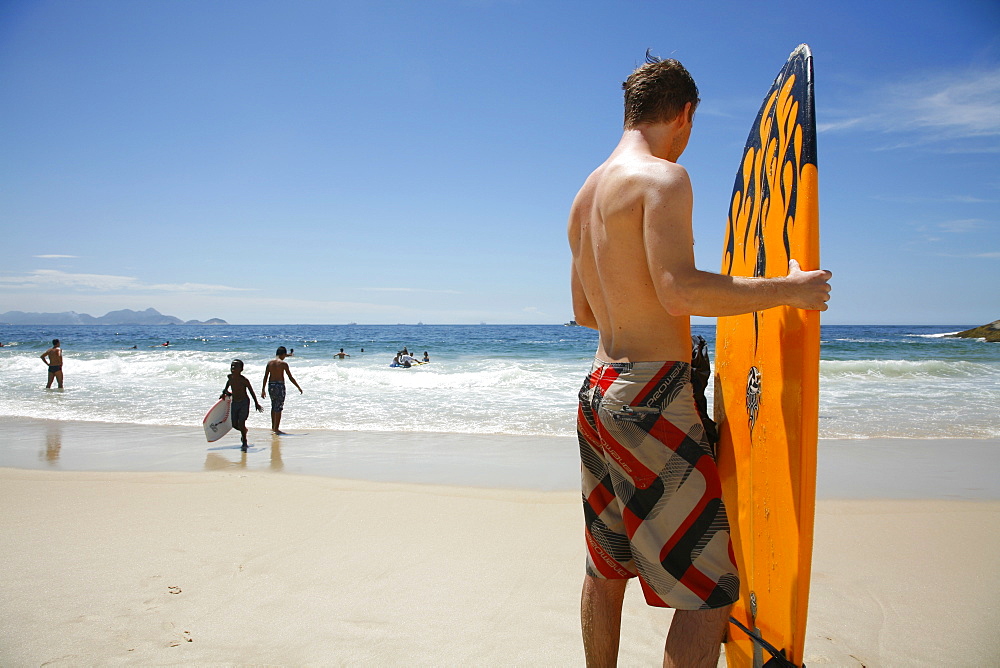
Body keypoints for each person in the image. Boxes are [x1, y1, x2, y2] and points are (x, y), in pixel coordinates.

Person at [567, 54, 832, 668]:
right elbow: (679, 291)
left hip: (598, 389)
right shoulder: (663, 180)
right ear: (684, 115)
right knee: (710, 590)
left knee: (606, 568)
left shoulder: (585, 196)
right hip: (651, 395)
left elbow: (584, 311)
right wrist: (789, 291)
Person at [220, 359, 263, 450]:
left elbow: (251, 392)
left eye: (235, 366)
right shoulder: (230, 378)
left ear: (241, 369)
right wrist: (224, 393)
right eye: (232, 366)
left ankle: (244, 441)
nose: (233, 368)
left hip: (244, 403)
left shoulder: (244, 380)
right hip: (235, 403)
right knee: (234, 424)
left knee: (241, 422)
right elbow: (226, 388)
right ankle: (244, 431)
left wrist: (256, 403)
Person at [261, 346, 302, 435]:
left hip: (271, 385)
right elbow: (290, 377)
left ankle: (273, 427)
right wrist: (298, 387)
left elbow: (265, 377)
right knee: (279, 407)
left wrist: (263, 389)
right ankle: (277, 428)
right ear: (283, 354)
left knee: (273, 406)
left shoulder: (269, 363)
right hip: (279, 386)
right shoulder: (283, 364)